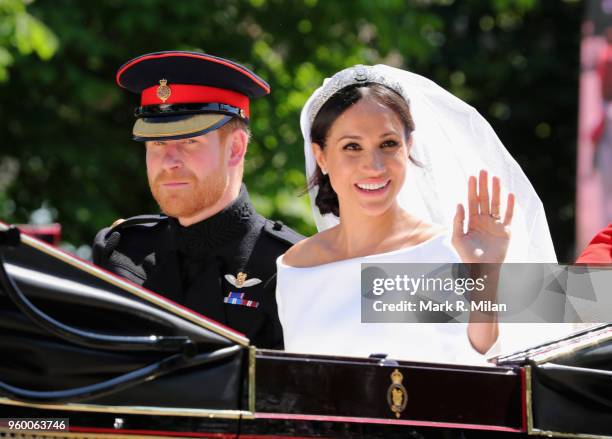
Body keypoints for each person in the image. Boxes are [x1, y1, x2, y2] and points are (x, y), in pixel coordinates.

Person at [275, 65, 559, 365]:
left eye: (388, 144)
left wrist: (484, 274)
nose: (374, 165)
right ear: (321, 157)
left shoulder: (453, 248)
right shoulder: (295, 267)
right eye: (352, 147)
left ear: (408, 146)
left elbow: (485, 362)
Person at [93, 51, 302, 349]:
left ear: (235, 148)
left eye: (190, 141)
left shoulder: (288, 266)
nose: (169, 161)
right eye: (157, 142)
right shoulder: (121, 251)